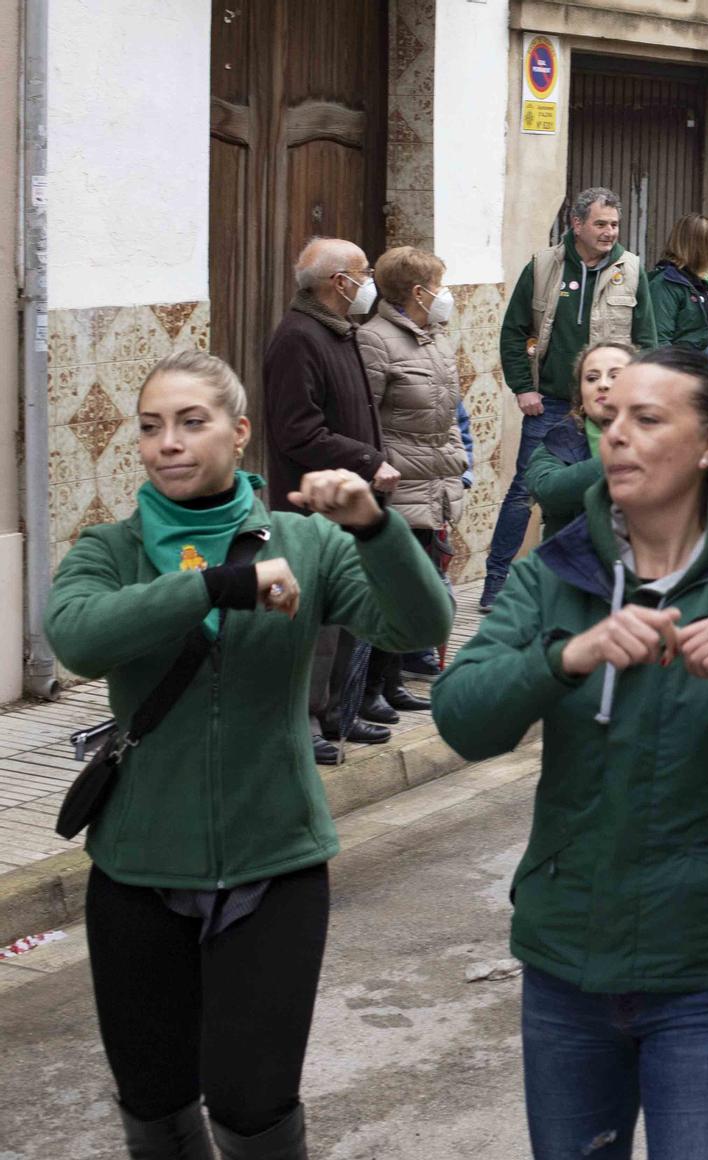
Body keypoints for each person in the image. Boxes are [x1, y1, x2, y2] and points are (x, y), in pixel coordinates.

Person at [432, 347, 708, 1160]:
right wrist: (564, 658)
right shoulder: (555, 576)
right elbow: (461, 720)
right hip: (568, 958)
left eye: (647, 418)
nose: (615, 434)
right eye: (610, 416)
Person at [51, 350, 453, 1160]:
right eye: (152, 426)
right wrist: (215, 587)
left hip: (274, 862)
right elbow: (78, 638)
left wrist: (375, 527)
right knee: (156, 1103)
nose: (169, 442)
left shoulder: (306, 543)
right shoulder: (111, 548)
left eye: (192, 422)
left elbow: (419, 628)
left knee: (251, 1105)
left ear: (238, 434)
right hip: (137, 868)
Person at [489, 188, 658, 612]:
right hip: (548, 403)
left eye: (614, 224)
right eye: (600, 224)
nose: (609, 232)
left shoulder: (632, 269)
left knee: (613, 487)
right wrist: (522, 388)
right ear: (576, 224)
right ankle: (496, 583)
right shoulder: (544, 266)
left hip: (611, 407)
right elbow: (513, 330)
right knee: (526, 492)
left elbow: (648, 340)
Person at [264, 236, 399, 761]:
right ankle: (307, 723)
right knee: (314, 625)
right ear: (338, 283)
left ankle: (340, 711)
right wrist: (367, 460)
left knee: (345, 615)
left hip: (348, 504)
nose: (369, 282)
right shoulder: (298, 338)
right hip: (313, 508)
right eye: (362, 272)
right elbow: (298, 431)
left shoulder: (338, 331)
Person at [353, 244, 464, 723]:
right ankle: (369, 688)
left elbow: (449, 409)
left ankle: (394, 681)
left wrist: (458, 455)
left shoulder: (434, 337)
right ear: (418, 292)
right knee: (392, 591)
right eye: (438, 286)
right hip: (401, 485)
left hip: (435, 480)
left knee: (416, 588)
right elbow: (367, 417)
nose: (444, 295)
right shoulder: (375, 340)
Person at [523, 341, 632, 534]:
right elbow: (545, 489)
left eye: (615, 376)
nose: (603, 384)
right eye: (592, 378)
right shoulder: (561, 439)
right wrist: (620, 463)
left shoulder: (665, 440)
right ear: (580, 396)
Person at [649, 212, 708, 373]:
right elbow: (659, 340)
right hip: (680, 376)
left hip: (706, 373)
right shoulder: (666, 283)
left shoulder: (705, 285)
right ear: (701, 247)